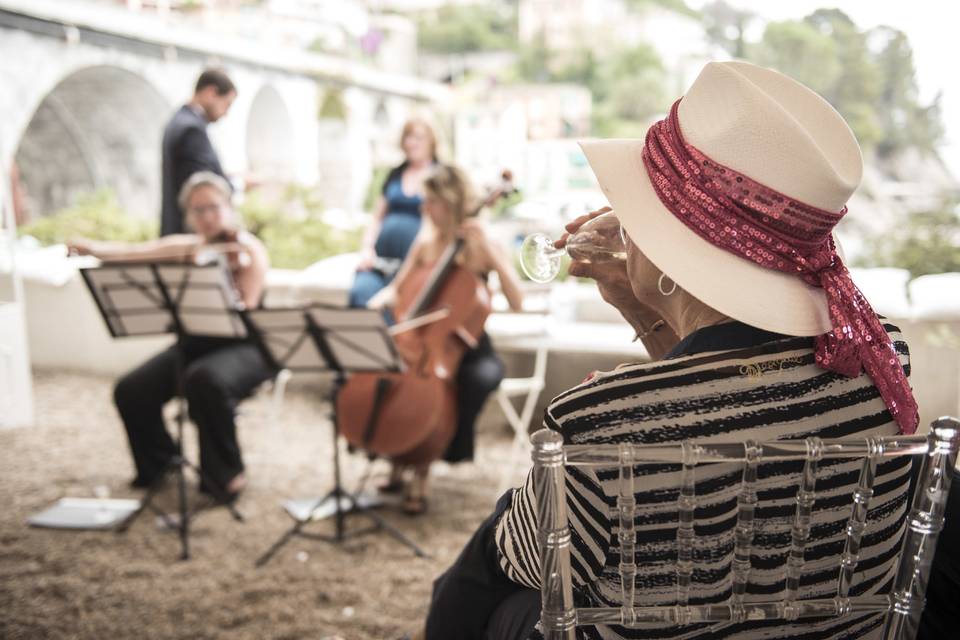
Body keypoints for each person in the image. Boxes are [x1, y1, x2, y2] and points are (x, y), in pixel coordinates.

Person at [425, 61, 918, 640]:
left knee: (485, 578)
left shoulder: (602, 420)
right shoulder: (877, 360)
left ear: (670, 253)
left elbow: (527, 560)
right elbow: (719, 397)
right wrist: (643, 306)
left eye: (641, 215)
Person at [69, 171, 273, 501]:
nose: (207, 216)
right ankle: (161, 461)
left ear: (229, 207)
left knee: (204, 380)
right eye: (198, 210)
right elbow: (133, 253)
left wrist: (230, 275)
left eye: (213, 207)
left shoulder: (247, 249)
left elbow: (247, 304)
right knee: (131, 389)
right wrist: (91, 248)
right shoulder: (188, 247)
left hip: (246, 347)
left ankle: (226, 474)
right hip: (195, 345)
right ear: (189, 216)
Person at [369, 164, 524, 515]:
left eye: (430, 201)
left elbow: (517, 302)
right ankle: (397, 458)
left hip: (470, 348)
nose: (423, 209)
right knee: (395, 376)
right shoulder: (425, 244)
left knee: (472, 380)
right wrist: (377, 304)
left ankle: (426, 463)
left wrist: (492, 253)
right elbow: (395, 291)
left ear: (450, 202)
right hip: (421, 341)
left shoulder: (481, 245)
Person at [349, 118, 437, 309]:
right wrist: (367, 249)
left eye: (418, 137)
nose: (411, 142)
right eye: (408, 137)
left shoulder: (438, 175)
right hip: (381, 262)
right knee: (360, 294)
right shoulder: (394, 174)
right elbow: (377, 217)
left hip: (415, 264)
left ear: (431, 141)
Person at [160, 69, 236, 237]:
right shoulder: (191, 129)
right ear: (211, 92)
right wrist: (237, 183)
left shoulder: (178, 121)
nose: (226, 113)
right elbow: (201, 187)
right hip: (192, 236)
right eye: (227, 104)